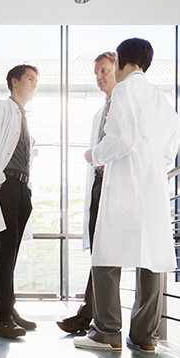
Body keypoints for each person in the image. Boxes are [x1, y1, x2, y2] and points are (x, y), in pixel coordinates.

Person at [74, 38, 178, 353]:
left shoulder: (124, 91)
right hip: (153, 185)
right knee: (151, 256)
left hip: (124, 183)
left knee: (106, 254)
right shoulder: (162, 98)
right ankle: (145, 337)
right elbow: (169, 152)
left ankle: (107, 332)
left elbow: (121, 138)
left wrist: (95, 153)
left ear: (121, 61)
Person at [0, 64, 39, 338]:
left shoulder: (23, 116)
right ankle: (1, 318)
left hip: (22, 187)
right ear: (14, 82)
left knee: (12, 251)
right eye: (30, 79)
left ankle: (9, 310)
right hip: (6, 184)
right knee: (5, 249)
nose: (35, 85)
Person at [57, 52, 117, 334]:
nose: (99, 77)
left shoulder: (123, 105)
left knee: (107, 253)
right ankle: (89, 314)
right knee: (99, 251)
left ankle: (91, 317)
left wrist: (95, 154)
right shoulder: (101, 112)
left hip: (114, 185)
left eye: (104, 70)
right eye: (96, 73)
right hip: (99, 183)